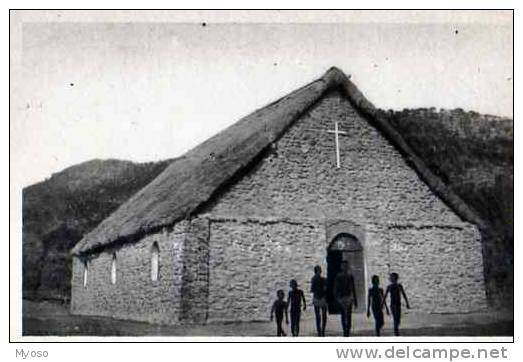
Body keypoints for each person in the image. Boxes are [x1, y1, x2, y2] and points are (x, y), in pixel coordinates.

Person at [333, 260, 358, 336]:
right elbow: (335, 288)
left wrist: (355, 300)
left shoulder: (350, 276)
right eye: (343, 266)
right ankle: (345, 330)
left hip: (348, 297)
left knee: (349, 314)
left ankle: (348, 329)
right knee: (343, 315)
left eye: (346, 266)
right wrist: (337, 298)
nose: (345, 267)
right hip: (341, 298)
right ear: (341, 267)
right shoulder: (338, 276)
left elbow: (353, 288)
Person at [310, 265, 328, 336]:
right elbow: (313, 289)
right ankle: (320, 330)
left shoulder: (321, 279)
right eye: (319, 270)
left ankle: (321, 329)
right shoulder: (321, 279)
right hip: (319, 297)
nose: (320, 271)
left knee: (322, 315)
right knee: (319, 315)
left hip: (320, 297)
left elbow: (312, 289)